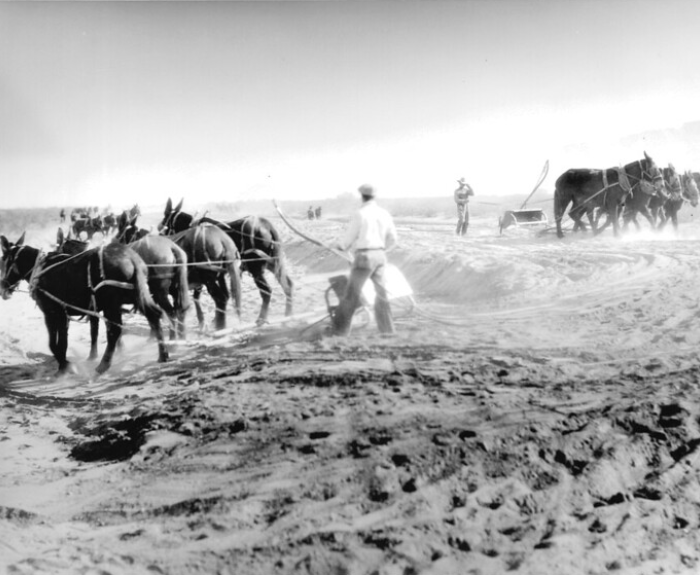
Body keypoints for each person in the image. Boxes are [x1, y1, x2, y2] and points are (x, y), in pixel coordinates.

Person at [331, 184, 398, 336]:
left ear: (362, 196)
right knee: (382, 295)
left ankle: (339, 333)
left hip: (364, 258)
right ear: (375, 196)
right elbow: (393, 240)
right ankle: (388, 331)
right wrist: (381, 252)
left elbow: (346, 242)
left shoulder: (360, 214)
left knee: (350, 296)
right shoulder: (384, 213)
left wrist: (337, 245)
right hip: (380, 256)